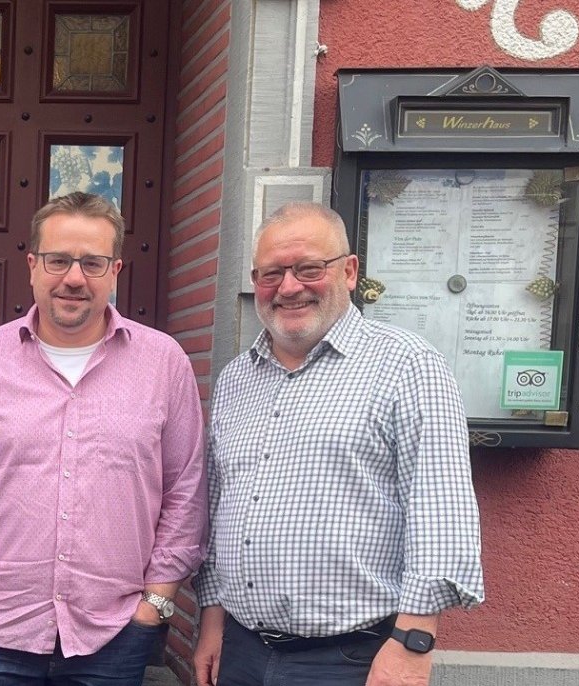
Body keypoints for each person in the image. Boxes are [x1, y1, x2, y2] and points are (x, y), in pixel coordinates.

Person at [0, 191, 207, 686]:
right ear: (32, 265)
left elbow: (185, 493)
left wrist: (155, 604)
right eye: (58, 260)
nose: (73, 277)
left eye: (92, 262)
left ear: (116, 270)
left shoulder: (163, 364)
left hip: (112, 636)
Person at [191, 202, 484, 686]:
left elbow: (440, 511)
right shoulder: (236, 379)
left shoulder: (408, 365)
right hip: (241, 651)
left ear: (348, 271)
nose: (288, 287)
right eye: (271, 274)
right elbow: (220, 508)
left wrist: (413, 644)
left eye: (308, 268)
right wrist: (213, 622)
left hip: (351, 661)